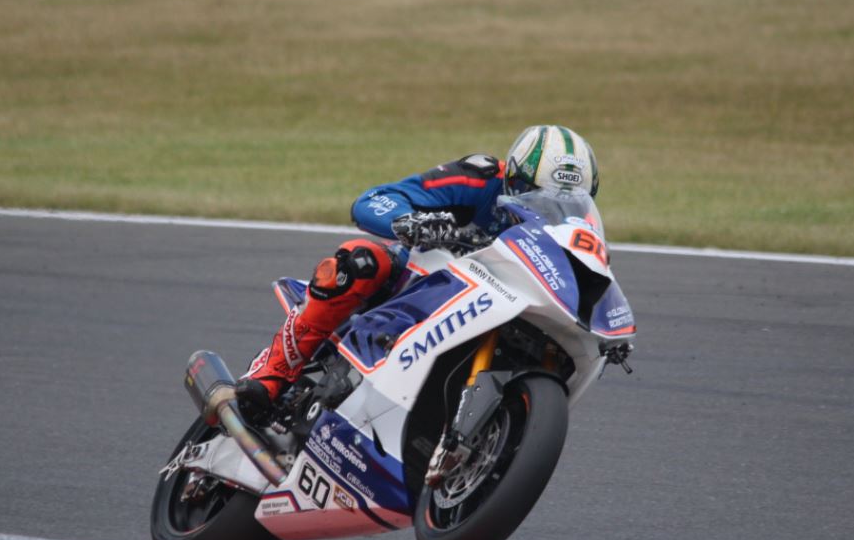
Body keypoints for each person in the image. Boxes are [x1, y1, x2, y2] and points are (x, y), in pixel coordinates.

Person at [234, 124, 600, 423]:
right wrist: (413, 222)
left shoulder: (579, 230)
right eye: (533, 193)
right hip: (428, 281)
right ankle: (268, 377)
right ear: (513, 177)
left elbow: (590, 279)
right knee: (359, 262)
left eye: (565, 201)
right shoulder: (479, 178)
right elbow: (375, 199)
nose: (549, 207)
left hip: (509, 305)